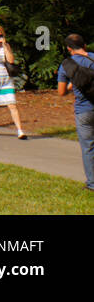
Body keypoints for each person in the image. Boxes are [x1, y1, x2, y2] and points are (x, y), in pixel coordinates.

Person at [56, 33, 94, 192]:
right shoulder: (93, 58)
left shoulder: (66, 66)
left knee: (88, 147)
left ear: (69, 49)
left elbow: (61, 92)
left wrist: (74, 84)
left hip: (84, 110)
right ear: (84, 45)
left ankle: (92, 183)